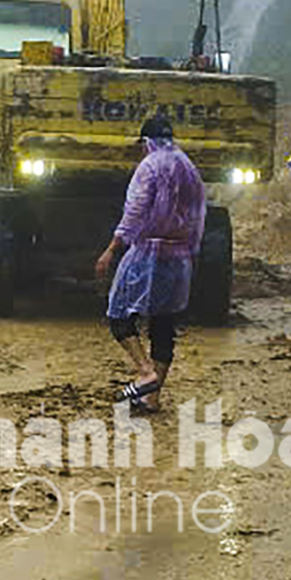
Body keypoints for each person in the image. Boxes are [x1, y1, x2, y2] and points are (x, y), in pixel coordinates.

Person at [95, 115, 206, 413]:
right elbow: (199, 215)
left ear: (147, 142)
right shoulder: (189, 167)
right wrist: (191, 252)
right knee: (164, 324)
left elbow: (135, 211)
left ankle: (145, 372)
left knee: (118, 314)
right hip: (180, 256)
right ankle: (152, 398)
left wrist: (111, 249)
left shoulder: (150, 167)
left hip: (148, 254)